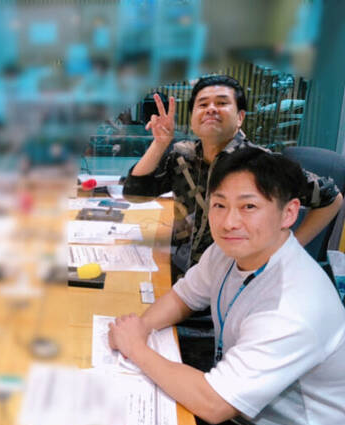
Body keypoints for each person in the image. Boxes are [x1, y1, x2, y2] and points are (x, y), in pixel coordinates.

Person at [109, 148, 345, 425]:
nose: (229, 222)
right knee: (116, 420)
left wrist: (136, 348)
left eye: (249, 207)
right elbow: (183, 296)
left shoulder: (294, 305)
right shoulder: (230, 251)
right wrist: (142, 327)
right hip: (242, 407)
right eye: (219, 205)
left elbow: (214, 404)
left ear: (289, 213)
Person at [123, 74, 342, 277]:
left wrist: (288, 249)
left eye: (221, 103)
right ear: (192, 119)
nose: (211, 109)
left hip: (235, 282)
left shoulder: (259, 163)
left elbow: (332, 198)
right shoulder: (183, 156)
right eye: (202, 104)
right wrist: (160, 143)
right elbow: (135, 193)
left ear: (240, 117)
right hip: (181, 276)